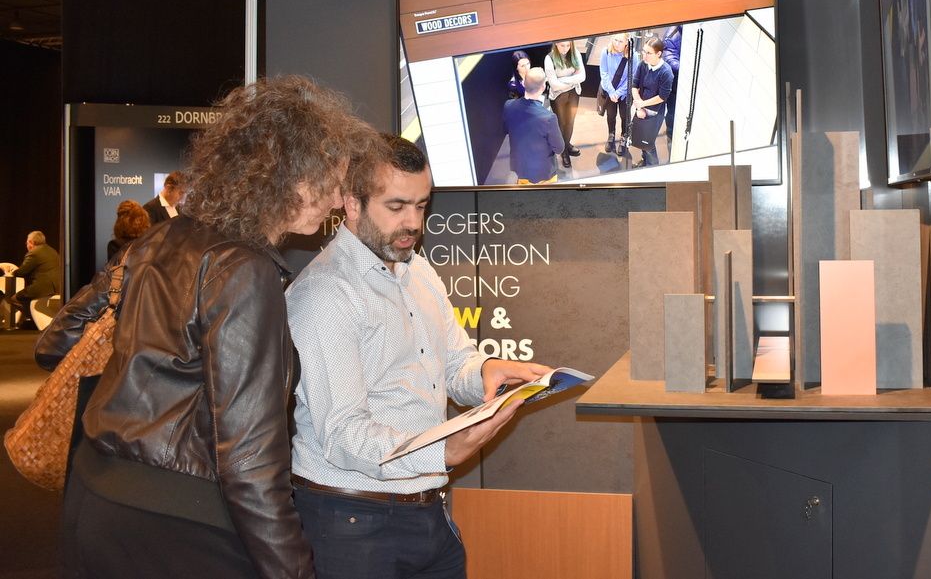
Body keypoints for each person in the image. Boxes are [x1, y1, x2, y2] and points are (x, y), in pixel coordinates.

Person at [36, 75, 376, 579]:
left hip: (92, 496)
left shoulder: (158, 239)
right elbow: (249, 458)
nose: (336, 200)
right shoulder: (244, 270)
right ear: (290, 177)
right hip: (176, 527)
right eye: (332, 183)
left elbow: (54, 344)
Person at [286, 132, 550, 579]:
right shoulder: (325, 294)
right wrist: (442, 452)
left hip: (428, 514)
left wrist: (487, 370)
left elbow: (455, 363)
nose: (413, 223)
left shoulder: (418, 270)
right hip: (352, 522)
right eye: (396, 207)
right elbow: (344, 435)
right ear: (352, 204)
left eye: (422, 206)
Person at [503, 67, 565, 184]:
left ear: (523, 83)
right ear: (543, 87)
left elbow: (506, 129)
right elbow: (559, 148)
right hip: (543, 173)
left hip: (520, 167)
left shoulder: (508, 105)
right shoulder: (549, 117)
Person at [4, 230, 63, 329]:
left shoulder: (34, 253)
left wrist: (12, 271)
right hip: (57, 286)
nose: (26, 245)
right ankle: (32, 321)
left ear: (31, 243)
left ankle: (33, 321)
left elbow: (22, 272)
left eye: (27, 243)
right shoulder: (51, 251)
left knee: (15, 299)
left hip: (43, 287)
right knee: (26, 298)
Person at [630, 36, 674, 168]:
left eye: (648, 53)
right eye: (644, 51)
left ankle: (653, 168)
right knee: (640, 139)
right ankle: (645, 161)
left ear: (658, 54)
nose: (644, 55)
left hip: (655, 112)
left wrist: (642, 105)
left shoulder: (666, 72)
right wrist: (639, 107)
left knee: (648, 143)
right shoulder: (643, 64)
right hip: (640, 108)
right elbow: (634, 85)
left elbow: (662, 97)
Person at [542, 39, 585, 167]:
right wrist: (573, 79)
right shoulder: (549, 58)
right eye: (562, 45)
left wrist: (562, 80)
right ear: (556, 44)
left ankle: (566, 145)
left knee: (570, 121)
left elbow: (582, 77)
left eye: (568, 45)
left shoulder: (575, 53)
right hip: (558, 96)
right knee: (561, 123)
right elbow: (554, 85)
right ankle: (563, 151)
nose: (565, 49)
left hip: (573, 93)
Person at [599, 34, 632, 156]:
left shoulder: (633, 55)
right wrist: (612, 92)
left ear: (627, 42)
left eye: (620, 41)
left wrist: (618, 93)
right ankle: (611, 134)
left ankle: (624, 137)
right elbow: (604, 73)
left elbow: (632, 77)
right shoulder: (606, 51)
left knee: (625, 116)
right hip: (610, 91)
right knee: (611, 114)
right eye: (615, 40)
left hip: (624, 93)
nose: (616, 44)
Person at [661, 25, 683, 139]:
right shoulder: (671, 36)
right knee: (672, 114)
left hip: (683, 82)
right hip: (675, 83)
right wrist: (687, 69)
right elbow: (670, 59)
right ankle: (671, 137)